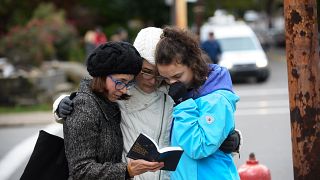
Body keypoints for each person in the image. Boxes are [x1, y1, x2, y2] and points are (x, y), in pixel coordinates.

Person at [54, 27, 241, 180]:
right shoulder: (121, 89)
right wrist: (61, 105)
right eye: (146, 71)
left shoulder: (174, 90)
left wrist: (234, 138)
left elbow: (209, 119)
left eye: (158, 74)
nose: (152, 80)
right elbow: (90, 105)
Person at [63, 41, 164, 179]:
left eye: (127, 83)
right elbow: (80, 170)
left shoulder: (108, 102)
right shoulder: (84, 107)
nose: (123, 89)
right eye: (120, 81)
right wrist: (127, 170)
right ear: (102, 75)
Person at [155, 26, 240, 179]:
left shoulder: (216, 98)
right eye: (166, 79)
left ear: (193, 64)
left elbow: (198, 147)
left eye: (177, 76)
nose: (173, 83)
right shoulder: (188, 90)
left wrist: (182, 104)